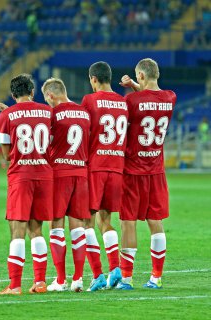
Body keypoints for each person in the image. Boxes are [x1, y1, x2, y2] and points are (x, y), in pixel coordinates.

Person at [116, 58, 177, 289]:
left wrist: (132, 86)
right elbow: (153, 98)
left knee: (128, 223)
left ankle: (127, 278)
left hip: (132, 169)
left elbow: (141, 102)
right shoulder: (170, 98)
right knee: (155, 222)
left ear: (141, 75)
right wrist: (134, 83)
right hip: (156, 171)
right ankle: (156, 277)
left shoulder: (131, 100)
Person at [0, 74, 53, 295]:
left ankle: (15, 284)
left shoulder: (6, 115)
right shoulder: (48, 112)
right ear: (32, 92)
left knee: (17, 230)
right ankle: (40, 282)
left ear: (12, 95)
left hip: (21, 176)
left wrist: (8, 116)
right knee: (36, 229)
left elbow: (7, 155)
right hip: (44, 175)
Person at [80, 61, 128, 291]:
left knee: (85, 221)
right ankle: (116, 268)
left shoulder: (89, 101)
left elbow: (83, 131)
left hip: (95, 166)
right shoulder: (123, 102)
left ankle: (98, 274)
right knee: (106, 220)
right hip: (116, 167)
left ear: (94, 79)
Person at [41, 78, 91, 293]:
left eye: (46, 98)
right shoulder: (84, 113)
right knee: (78, 226)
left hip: (59, 172)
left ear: (51, 95)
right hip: (81, 173)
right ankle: (78, 279)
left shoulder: (53, 115)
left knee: (56, 225)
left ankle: (60, 280)